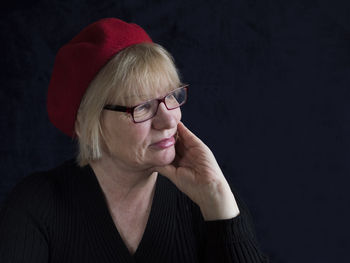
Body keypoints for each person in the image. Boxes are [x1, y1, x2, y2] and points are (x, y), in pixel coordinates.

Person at [0, 18, 269, 262]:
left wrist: (217, 198)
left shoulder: (205, 199)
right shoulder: (36, 206)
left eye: (171, 97)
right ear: (88, 123)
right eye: (142, 106)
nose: (169, 120)